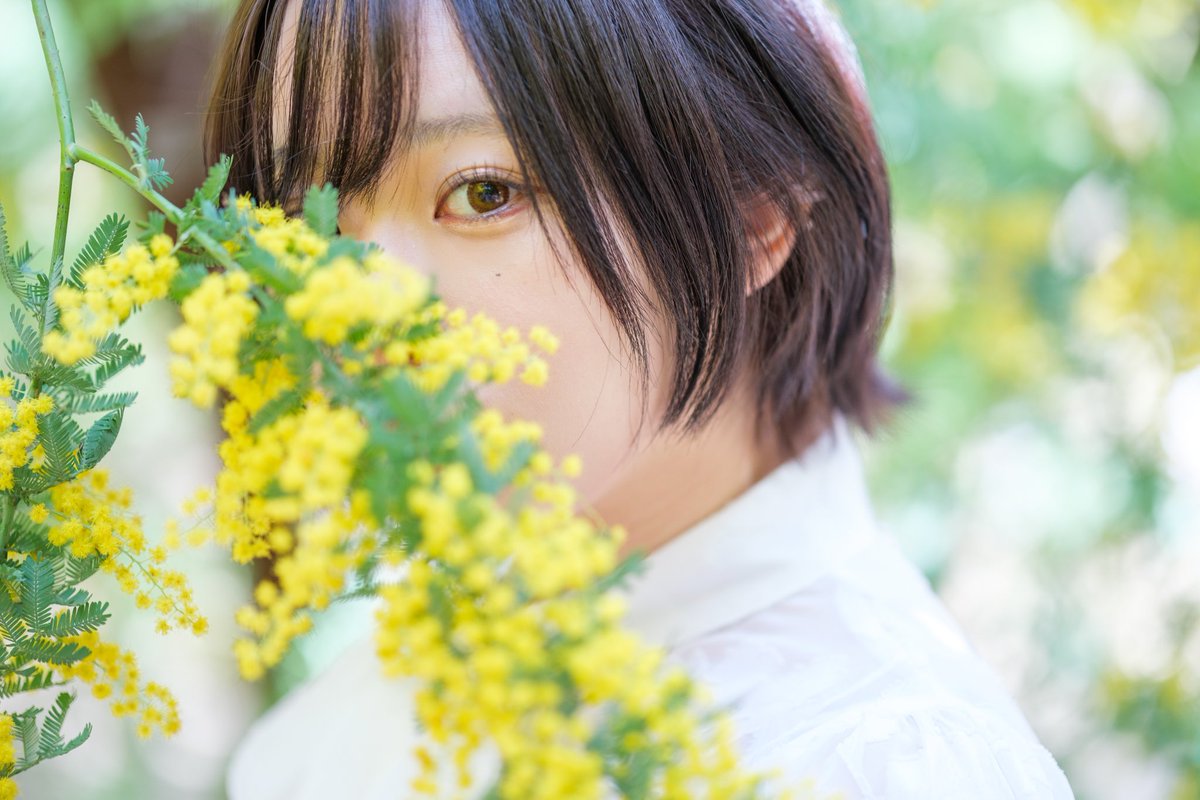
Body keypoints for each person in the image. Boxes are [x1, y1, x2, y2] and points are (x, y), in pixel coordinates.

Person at [204, 0, 1077, 796]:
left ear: (754, 212)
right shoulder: (329, 744)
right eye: (309, 218)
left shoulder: (884, 765)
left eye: (483, 192)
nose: (360, 310)